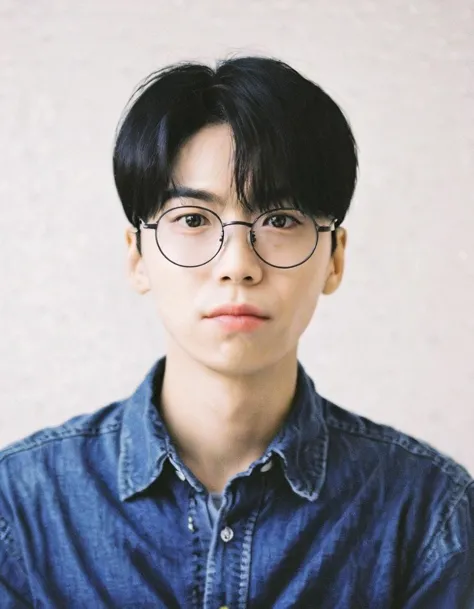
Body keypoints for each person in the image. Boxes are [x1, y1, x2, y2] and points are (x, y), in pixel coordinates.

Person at [0, 56, 472, 609]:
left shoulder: (427, 513)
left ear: (335, 259)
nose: (237, 264)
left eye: (279, 220)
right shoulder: (23, 508)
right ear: (138, 258)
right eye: (194, 220)